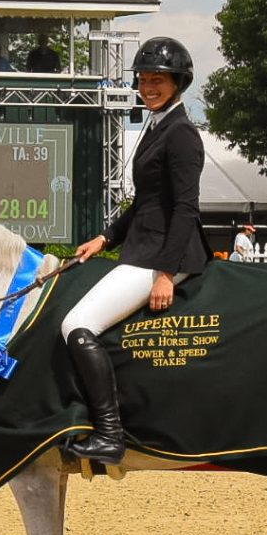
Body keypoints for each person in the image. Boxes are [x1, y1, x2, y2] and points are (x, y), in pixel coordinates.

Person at [63, 37, 208, 462]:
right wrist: (105, 238)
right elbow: (145, 204)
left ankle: (111, 436)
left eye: (158, 80)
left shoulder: (181, 133)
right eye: (143, 80)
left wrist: (166, 272)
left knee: (77, 325)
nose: (148, 87)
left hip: (165, 254)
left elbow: (185, 208)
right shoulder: (156, 124)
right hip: (143, 246)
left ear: (179, 82)